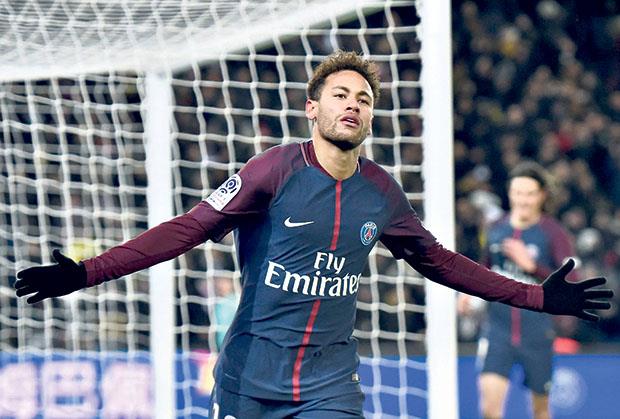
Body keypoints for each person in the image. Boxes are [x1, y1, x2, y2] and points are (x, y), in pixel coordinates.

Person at [14, 51, 613, 418]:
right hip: (249, 375)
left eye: (364, 99)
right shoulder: (272, 171)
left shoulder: (381, 193)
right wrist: (88, 271)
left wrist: (537, 296)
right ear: (312, 109)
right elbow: (188, 229)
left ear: (371, 116)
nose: (353, 105)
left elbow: (442, 262)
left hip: (330, 383)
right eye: (340, 95)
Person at [458, 162, 577, 419]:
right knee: (489, 410)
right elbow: (484, 268)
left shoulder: (554, 233)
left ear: (542, 195)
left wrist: (532, 267)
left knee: (540, 411)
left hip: (537, 333)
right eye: (518, 193)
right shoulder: (495, 229)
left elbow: (572, 281)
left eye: (530, 194)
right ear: (509, 193)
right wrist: (468, 291)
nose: (523, 200)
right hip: (497, 330)